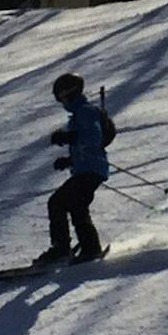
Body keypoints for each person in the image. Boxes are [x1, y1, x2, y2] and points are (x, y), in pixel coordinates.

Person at [37, 71, 112, 265]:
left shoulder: (85, 112)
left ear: (69, 93)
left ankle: (61, 248)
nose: (61, 102)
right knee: (76, 206)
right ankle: (89, 247)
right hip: (88, 169)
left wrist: (69, 137)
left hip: (90, 170)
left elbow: (93, 138)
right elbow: (85, 147)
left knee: (57, 202)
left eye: (61, 97)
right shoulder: (80, 113)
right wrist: (69, 161)